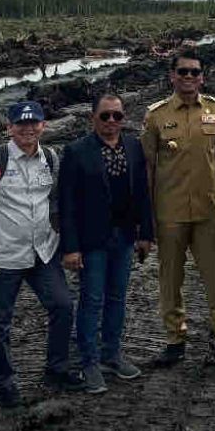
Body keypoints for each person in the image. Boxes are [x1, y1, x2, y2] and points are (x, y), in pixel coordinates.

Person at [0, 100, 79, 407]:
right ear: (10, 127)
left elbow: (56, 205)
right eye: (21, 124)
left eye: (34, 123)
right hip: (4, 257)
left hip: (42, 254)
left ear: (43, 125)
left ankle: (57, 369)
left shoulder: (51, 159)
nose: (28, 129)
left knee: (63, 306)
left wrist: (69, 245)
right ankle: (5, 383)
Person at [141, 49, 215, 372]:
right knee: (170, 280)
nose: (188, 77)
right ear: (172, 76)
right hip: (168, 213)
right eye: (182, 72)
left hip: (208, 211)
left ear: (202, 77)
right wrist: (146, 217)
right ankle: (174, 341)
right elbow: (148, 168)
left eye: (194, 73)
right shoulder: (155, 116)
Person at [59, 94, 155, 395]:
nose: (112, 122)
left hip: (124, 237)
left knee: (117, 298)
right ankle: (89, 362)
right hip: (92, 240)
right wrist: (71, 247)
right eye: (105, 116)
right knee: (92, 300)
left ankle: (112, 355)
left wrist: (145, 234)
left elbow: (142, 193)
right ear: (93, 118)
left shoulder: (133, 147)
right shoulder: (76, 152)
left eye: (117, 116)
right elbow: (67, 204)